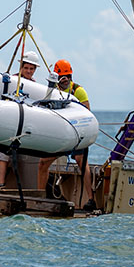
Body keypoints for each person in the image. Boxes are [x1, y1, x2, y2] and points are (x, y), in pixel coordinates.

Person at [37, 59, 97, 211]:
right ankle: (39, 198)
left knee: (81, 161)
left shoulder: (78, 91)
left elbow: (87, 114)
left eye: (67, 77)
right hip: (60, 136)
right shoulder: (52, 91)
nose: (65, 80)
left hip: (77, 134)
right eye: (62, 77)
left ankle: (91, 199)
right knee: (43, 163)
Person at [0, 50, 40, 192]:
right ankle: (0, 186)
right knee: (2, 156)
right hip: (4, 124)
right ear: (21, 67)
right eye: (26, 68)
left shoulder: (35, 86)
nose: (28, 71)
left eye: (31, 69)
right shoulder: (11, 81)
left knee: (6, 157)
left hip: (19, 127)